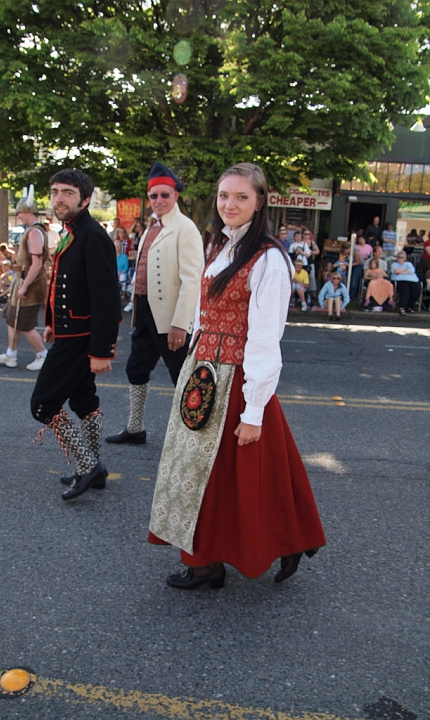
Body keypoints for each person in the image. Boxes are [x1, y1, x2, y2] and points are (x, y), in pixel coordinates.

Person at [148, 162, 326, 590]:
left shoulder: (269, 260)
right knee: (207, 472)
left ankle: (270, 543)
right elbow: (202, 311)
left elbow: (266, 339)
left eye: (241, 196)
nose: (230, 204)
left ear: (260, 202)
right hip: (204, 372)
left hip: (236, 378)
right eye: (224, 195)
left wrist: (254, 410)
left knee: (238, 473)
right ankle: (209, 558)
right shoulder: (221, 247)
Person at [30, 169, 121, 502]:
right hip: (69, 331)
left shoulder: (92, 235)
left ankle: (88, 467)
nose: (58, 198)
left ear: (85, 199)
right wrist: (53, 320)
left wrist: (102, 351)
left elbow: (108, 299)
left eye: (67, 192)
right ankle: (93, 468)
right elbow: (65, 285)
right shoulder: (71, 231)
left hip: (82, 338)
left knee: (43, 404)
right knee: (84, 401)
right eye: (54, 192)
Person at [106, 162, 204, 445]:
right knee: (136, 368)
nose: (159, 200)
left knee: (182, 376)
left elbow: (192, 280)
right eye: (154, 195)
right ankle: (135, 428)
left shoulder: (185, 228)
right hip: (146, 311)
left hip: (170, 316)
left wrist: (180, 324)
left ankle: (192, 437)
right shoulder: (152, 226)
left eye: (165, 195)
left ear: (175, 195)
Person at [0, 186, 49, 371]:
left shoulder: (34, 232)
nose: (19, 216)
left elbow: (38, 263)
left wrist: (24, 286)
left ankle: (43, 355)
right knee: (12, 318)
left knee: (24, 323)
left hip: (30, 285)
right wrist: (18, 268)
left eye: (20, 212)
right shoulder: (31, 230)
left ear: (28, 212)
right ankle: (11, 354)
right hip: (23, 281)